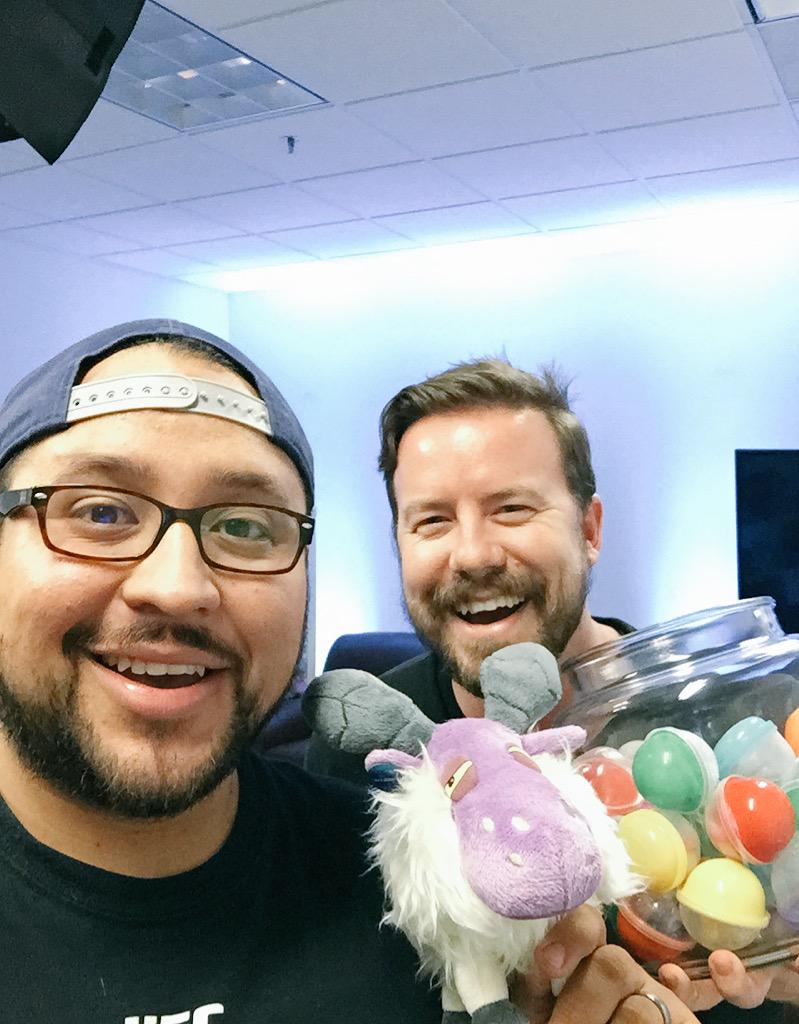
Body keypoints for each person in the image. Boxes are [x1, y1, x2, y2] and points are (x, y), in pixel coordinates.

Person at [0, 324, 701, 1024]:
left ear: (590, 529)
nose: (178, 586)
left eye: (244, 526)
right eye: (99, 512)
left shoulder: (383, 881)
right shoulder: (382, 793)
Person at [306, 358, 799, 1020]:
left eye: (511, 509)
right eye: (432, 521)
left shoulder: (722, 721)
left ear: (588, 531)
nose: (472, 554)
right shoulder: (362, 757)